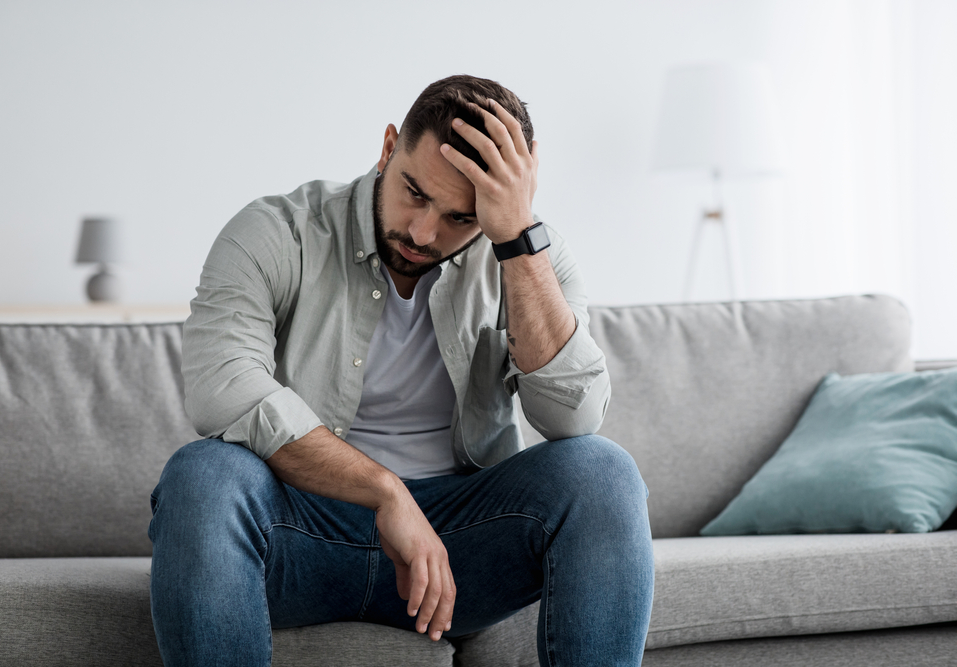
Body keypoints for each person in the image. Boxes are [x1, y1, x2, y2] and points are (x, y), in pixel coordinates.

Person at [148, 74, 654, 667]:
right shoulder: (277, 231)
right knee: (203, 474)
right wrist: (385, 492)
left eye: (460, 218)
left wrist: (515, 241)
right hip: (297, 530)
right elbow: (223, 392)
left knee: (604, 473)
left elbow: (574, 416)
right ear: (388, 147)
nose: (422, 233)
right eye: (414, 191)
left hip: (458, 549)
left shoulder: (530, 257)